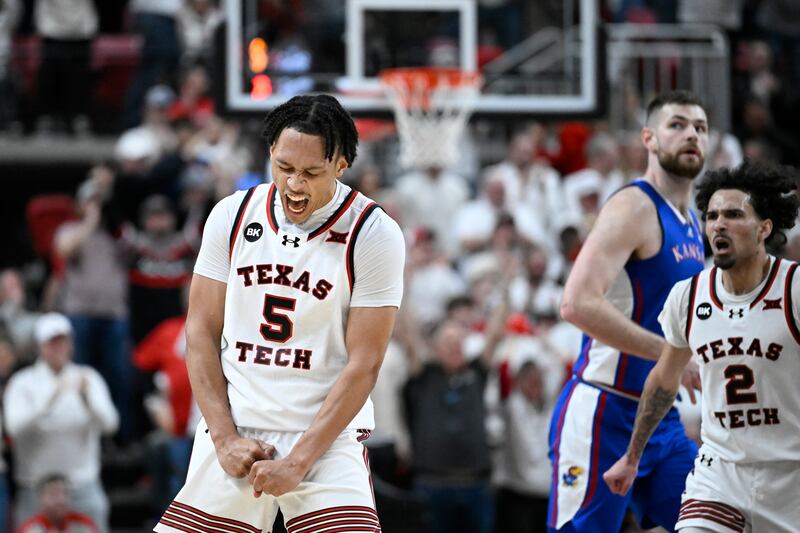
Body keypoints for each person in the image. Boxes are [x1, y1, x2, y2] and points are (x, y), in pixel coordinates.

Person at [155, 94, 406, 533]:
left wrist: (300, 461)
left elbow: (365, 365)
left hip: (325, 439)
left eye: (311, 173)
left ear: (342, 165)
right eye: (285, 168)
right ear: (270, 152)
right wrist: (225, 437)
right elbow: (200, 333)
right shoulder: (231, 216)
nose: (294, 184)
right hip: (237, 428)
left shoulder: (373, 234)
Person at [605, 160, 800, 532]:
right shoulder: (689, 296)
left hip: (791, 478)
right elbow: (663, 380)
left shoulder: (794, 289)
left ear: (764, 228)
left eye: (732, 214)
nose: (718, 225)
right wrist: (632, 456)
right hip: (720, 476)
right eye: (711, 216)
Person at [549, 90, 709, 532]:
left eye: (700, 127)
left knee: (715, 518)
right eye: (677, 124)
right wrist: (670, 354)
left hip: (660, 416)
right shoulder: (633, 205)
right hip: (605, 409)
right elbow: (576, 303)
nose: (691, 134)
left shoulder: (693, 222)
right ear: (649, 139)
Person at [4, 313, 118, 532]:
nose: (59, 348)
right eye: (52, 342)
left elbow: (110, 424)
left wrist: (87, 399)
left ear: (71, 344)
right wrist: (48, 401)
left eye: (63, 341)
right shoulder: (22, 382)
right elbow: (13, 428)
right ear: (40, 346)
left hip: (82, 485)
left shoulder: (88, 377)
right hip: (35, 489)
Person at [18, 474, 98, 533]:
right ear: (41, 498)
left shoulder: (83, 523)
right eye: (53, 494)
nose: (60, 499)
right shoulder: (30, 528)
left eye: (65, 493)